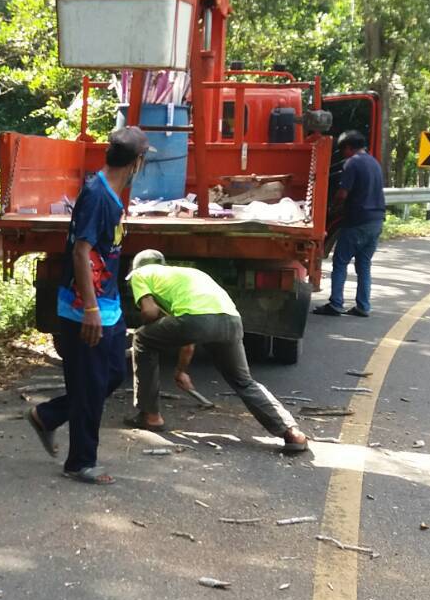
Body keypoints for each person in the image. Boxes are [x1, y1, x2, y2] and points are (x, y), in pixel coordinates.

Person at [26, 126, 151, 485]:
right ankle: (80, 462)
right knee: (92, 382)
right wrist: (91, 310)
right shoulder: (98, 195)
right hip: (87, 306)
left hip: (107, 302)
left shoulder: (110, 193)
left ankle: (47, 416)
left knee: (111, 375)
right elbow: (81, 252)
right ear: (136, 162)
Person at [126, 250, 308, 454]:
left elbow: (149, 312)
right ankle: (292, 432)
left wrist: (151, 328)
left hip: (197, 321)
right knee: (244, 381)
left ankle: (150, 415)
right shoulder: (187, 275)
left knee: (142, 338)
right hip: (231, 321)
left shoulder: (141, 274)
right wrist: (181, 370)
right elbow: (188, 340)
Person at [315, 129, 386, 318]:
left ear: (348, 148)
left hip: (357, 221)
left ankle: (336, 303)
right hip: (376, 221)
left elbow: (343, 193)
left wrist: (330, 207)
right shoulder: (374, 162)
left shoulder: (352, 163)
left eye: (343, 150)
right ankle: (363, 306)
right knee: (364, 264)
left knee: (340, 261)